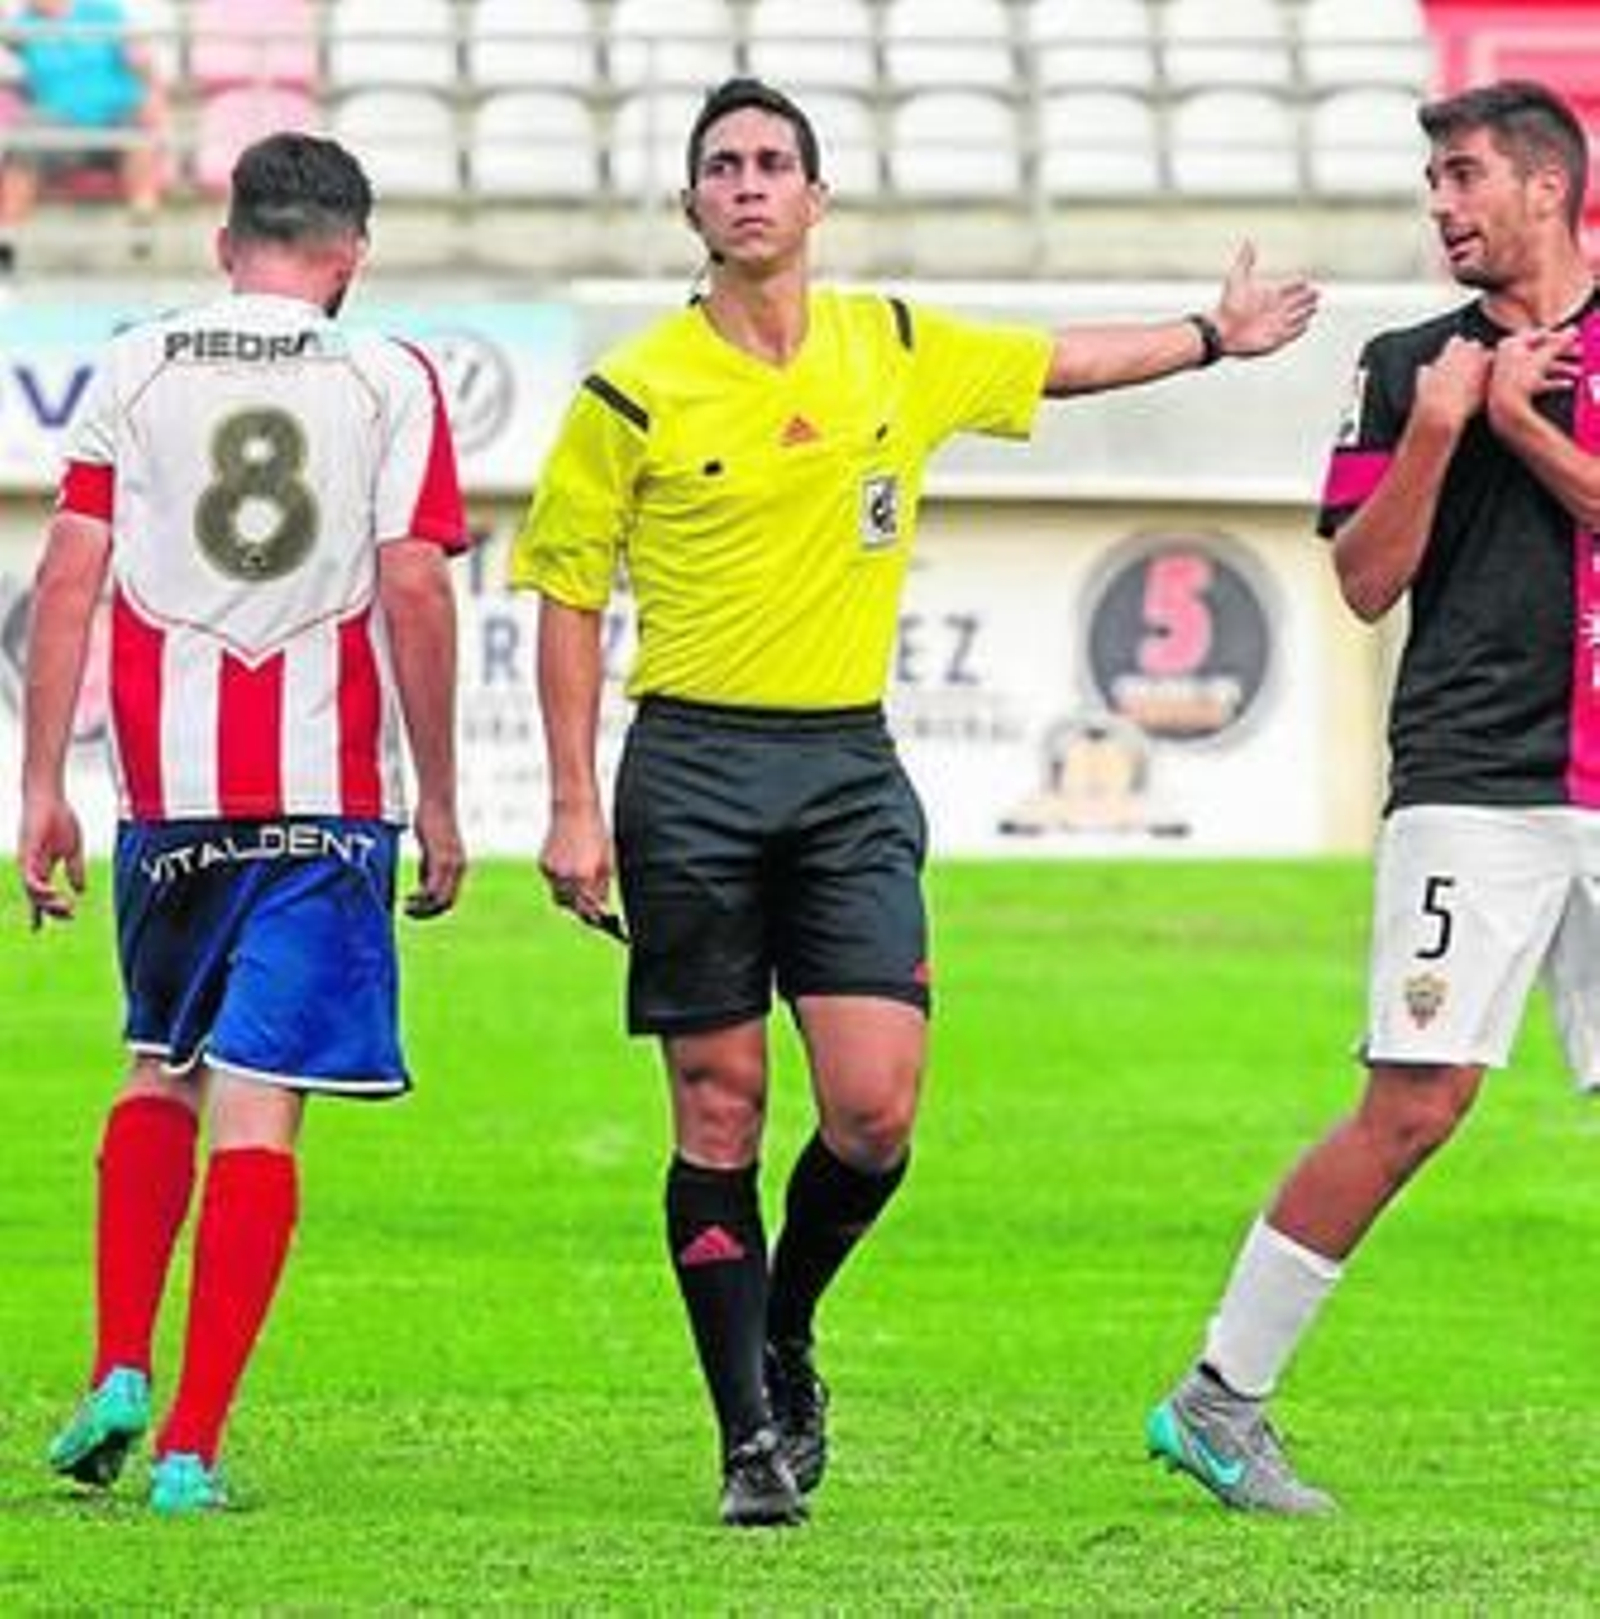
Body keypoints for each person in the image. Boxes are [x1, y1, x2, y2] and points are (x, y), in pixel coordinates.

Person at [512, 76, 1318, 1528]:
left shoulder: (892, 345)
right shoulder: (629, 391)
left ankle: (789, 1322)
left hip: (844, 768)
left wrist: (1214, 335)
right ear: (693, 207)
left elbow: (1058, 363)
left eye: (774, 163)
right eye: (723, 166)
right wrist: (572, 801)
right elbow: (568, 595)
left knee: (874, 1111)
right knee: (720, 1106)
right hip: (688, 768)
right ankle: (749, 1437)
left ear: (816, 200)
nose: (749, 183)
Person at [1147, 79, 1600, 1516]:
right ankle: (1218, 1400)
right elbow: (1359, 580)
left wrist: (1524, 432)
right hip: (1475, 785)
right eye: (1433, 187)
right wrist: (1441, 431)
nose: (1444, 209)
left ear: (1547, 186)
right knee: (1417, 1100)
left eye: (1464, 178)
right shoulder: (1405, 362)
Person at [18, 131, 467, 1516]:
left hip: (172, 800)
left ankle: (115, 1365)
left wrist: (38, 785)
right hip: (322, 800)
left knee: (160, 1066)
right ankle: (194, 1445)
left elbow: (69, 573)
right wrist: (441, 793)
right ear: (351, 258)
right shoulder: (388, 373)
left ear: (227, 241)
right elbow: (412, 585)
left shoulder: (139, 360)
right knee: (260, 1112)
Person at [0, 0, 170, 272]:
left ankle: (143, 227)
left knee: (139, 134)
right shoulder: (22, 23)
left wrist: (152, 95)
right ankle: (5, 244)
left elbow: (141, 61)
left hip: (115, 113)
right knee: (24, 144)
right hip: (61, 124)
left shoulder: (102, 11)